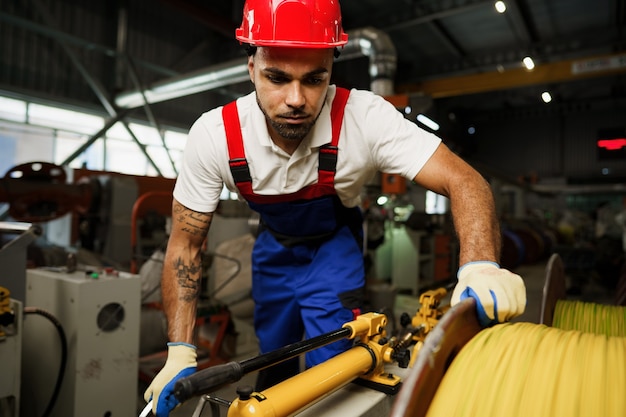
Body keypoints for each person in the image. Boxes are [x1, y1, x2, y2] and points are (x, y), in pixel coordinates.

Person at [143, 0, 527, 415]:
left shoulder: (364, 119)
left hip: (333, 249)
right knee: (273, 356)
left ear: (332, 66)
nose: (296, 99)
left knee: (335, 366)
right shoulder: (215, 136)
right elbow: (185, 245)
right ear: (251, 67)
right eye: (276, 77)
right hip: (273, 250)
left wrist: (481, 265)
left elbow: (465, 180)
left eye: (314, 79)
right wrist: (180, 350)